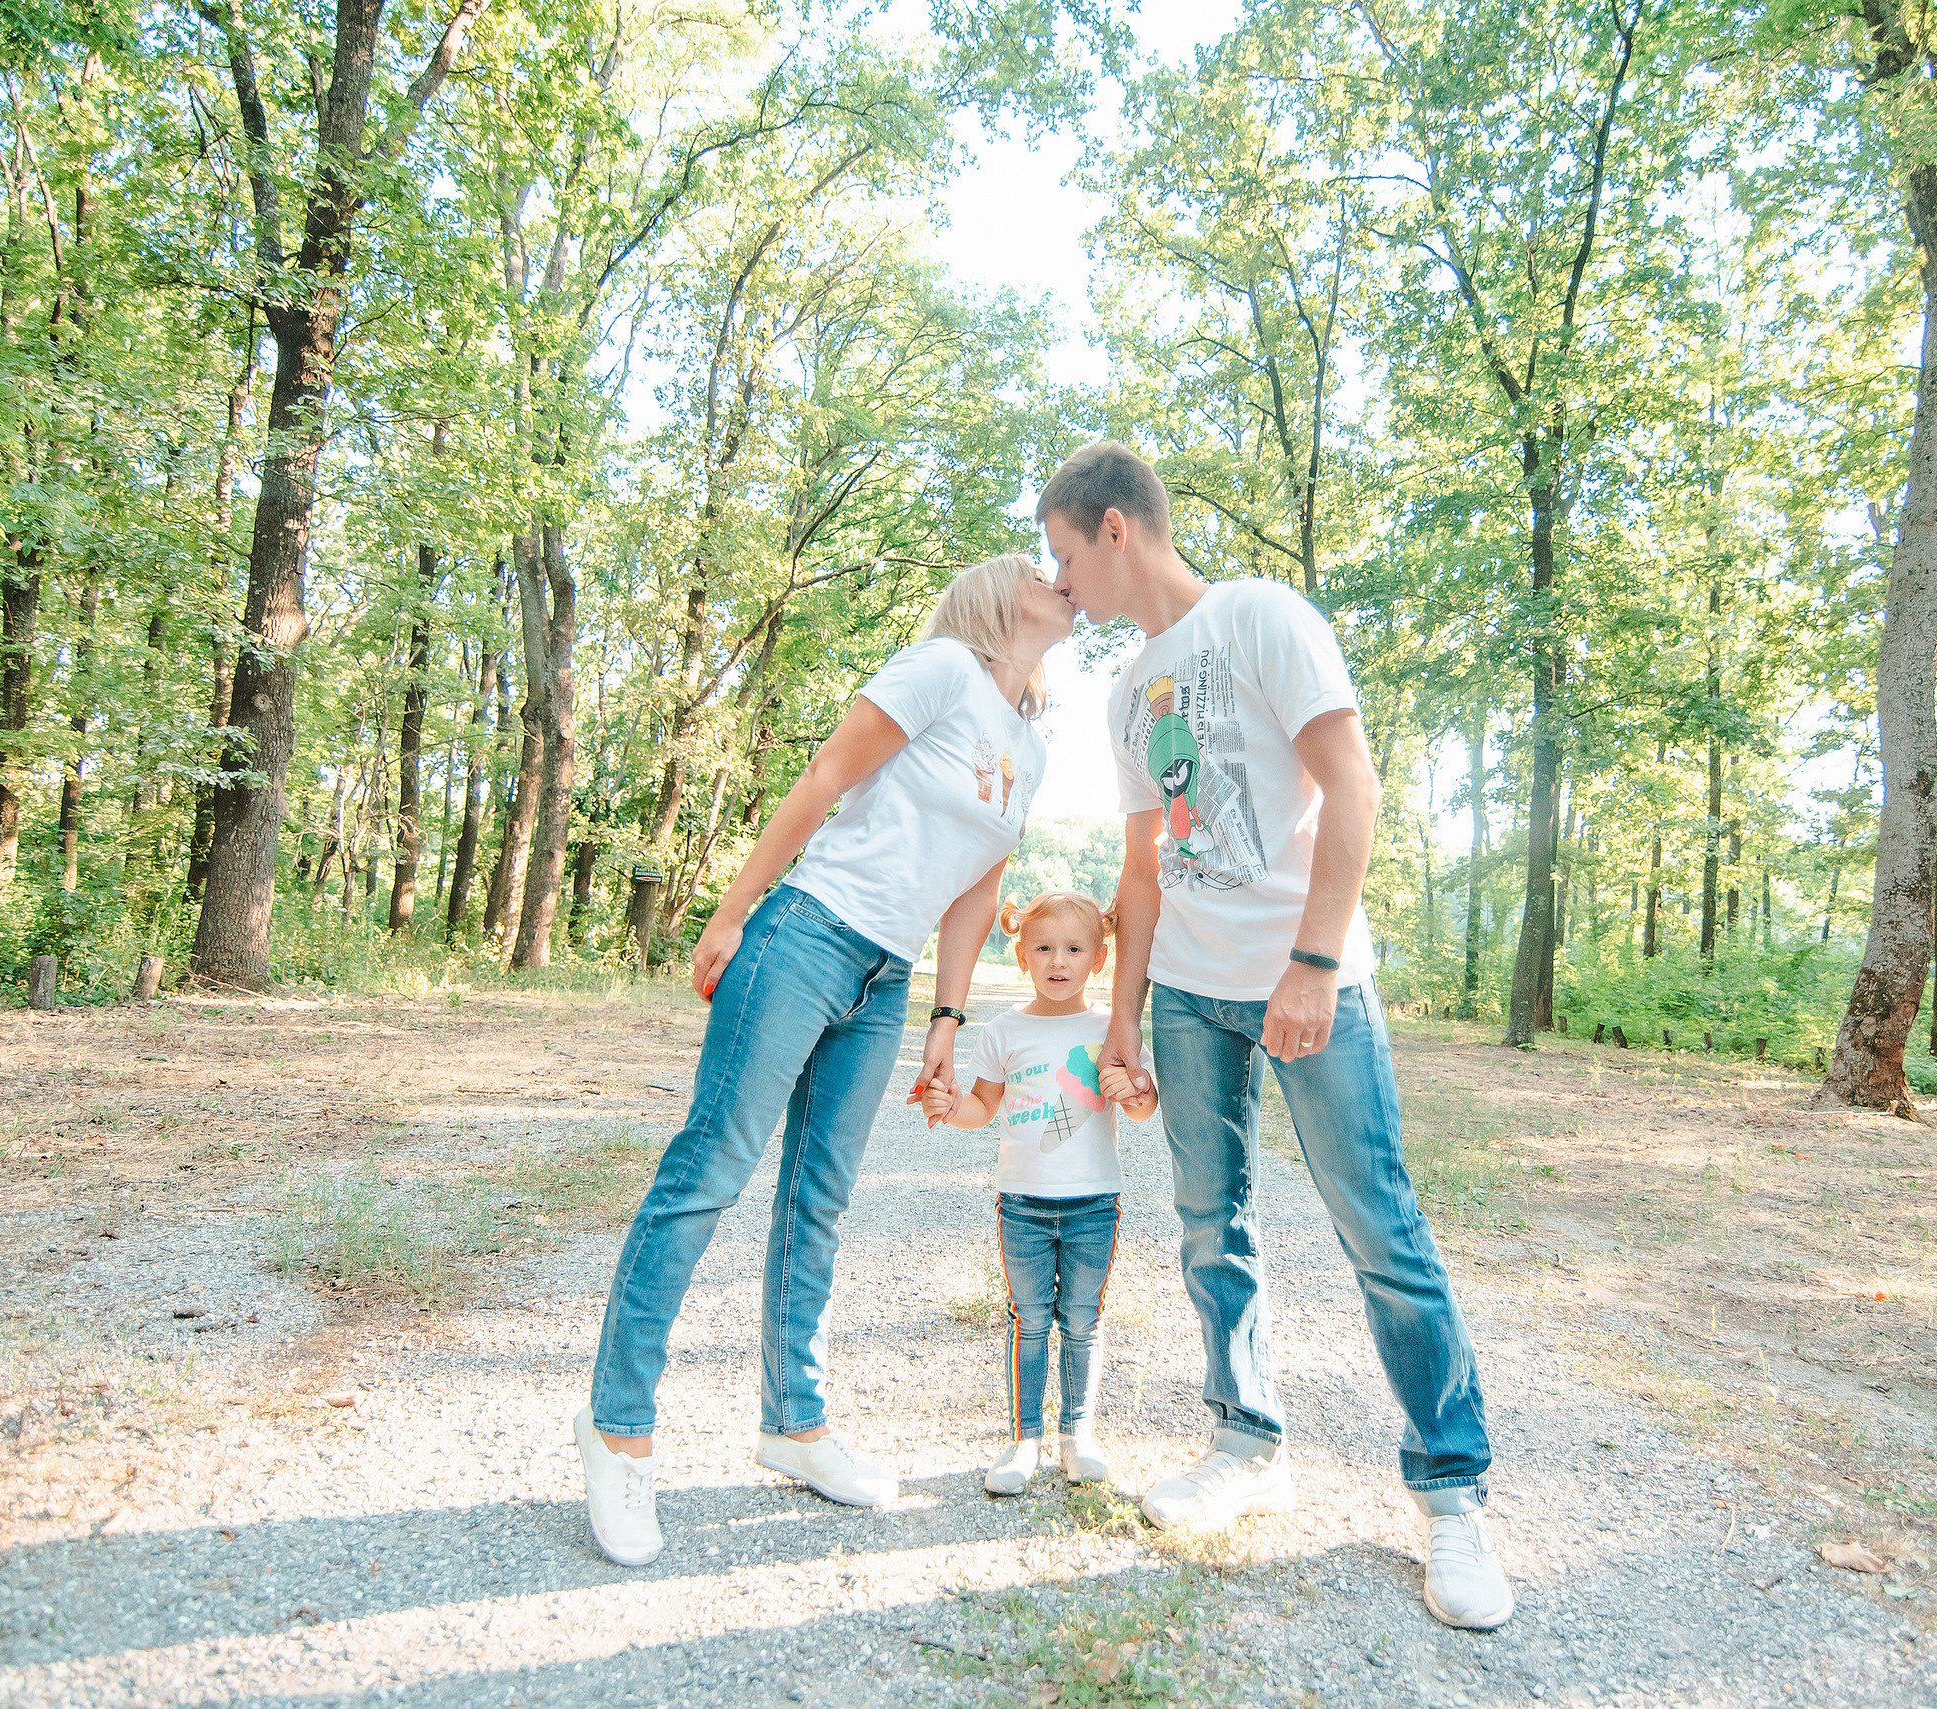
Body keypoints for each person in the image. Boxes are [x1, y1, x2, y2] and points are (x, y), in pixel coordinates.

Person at [1039, 440, 1515, 1632]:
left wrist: (1312, 961)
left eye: (1063, 555)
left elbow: (1352, 784)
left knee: (1379, 1226)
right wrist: (1123, 1017)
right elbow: (1142, 868)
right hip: (1191, 994)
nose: (1060, 585)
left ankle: (1451, 1491)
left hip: (1310, 981)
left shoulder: (1261, 614)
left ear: (1113, 528)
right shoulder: (1125, 692)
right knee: (1211, 1225)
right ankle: (1247, 1440)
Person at [574, 552, 1075, 1568]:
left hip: (885, 978)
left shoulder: (1031, 746)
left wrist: (946, 1015)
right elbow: (825, 777)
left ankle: (793, 1423)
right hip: (807, 933)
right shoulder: (941, 667)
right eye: (1038, 567)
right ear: (994, 598)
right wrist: (731, 911)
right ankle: (618, 1426)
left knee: (820, 1199)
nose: (1059, 578)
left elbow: (979, 888)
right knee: (709, 1171)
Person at [922, 891, 1157, 1496]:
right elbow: (982, 1108)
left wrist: (1135, 1092)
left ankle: (1078, 1437)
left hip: (1093, 1203)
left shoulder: (1111, 1029)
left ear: (1098, 959)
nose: (1058, 961)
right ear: (1023, 955)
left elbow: (1141, 1108)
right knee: (1028, 1320)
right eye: (1044, 948)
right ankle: (1023, 1440)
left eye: (1074, 949)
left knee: (1082, 1319)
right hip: (1022, 1204)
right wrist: (947, 1106)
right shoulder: (1004, 1031)